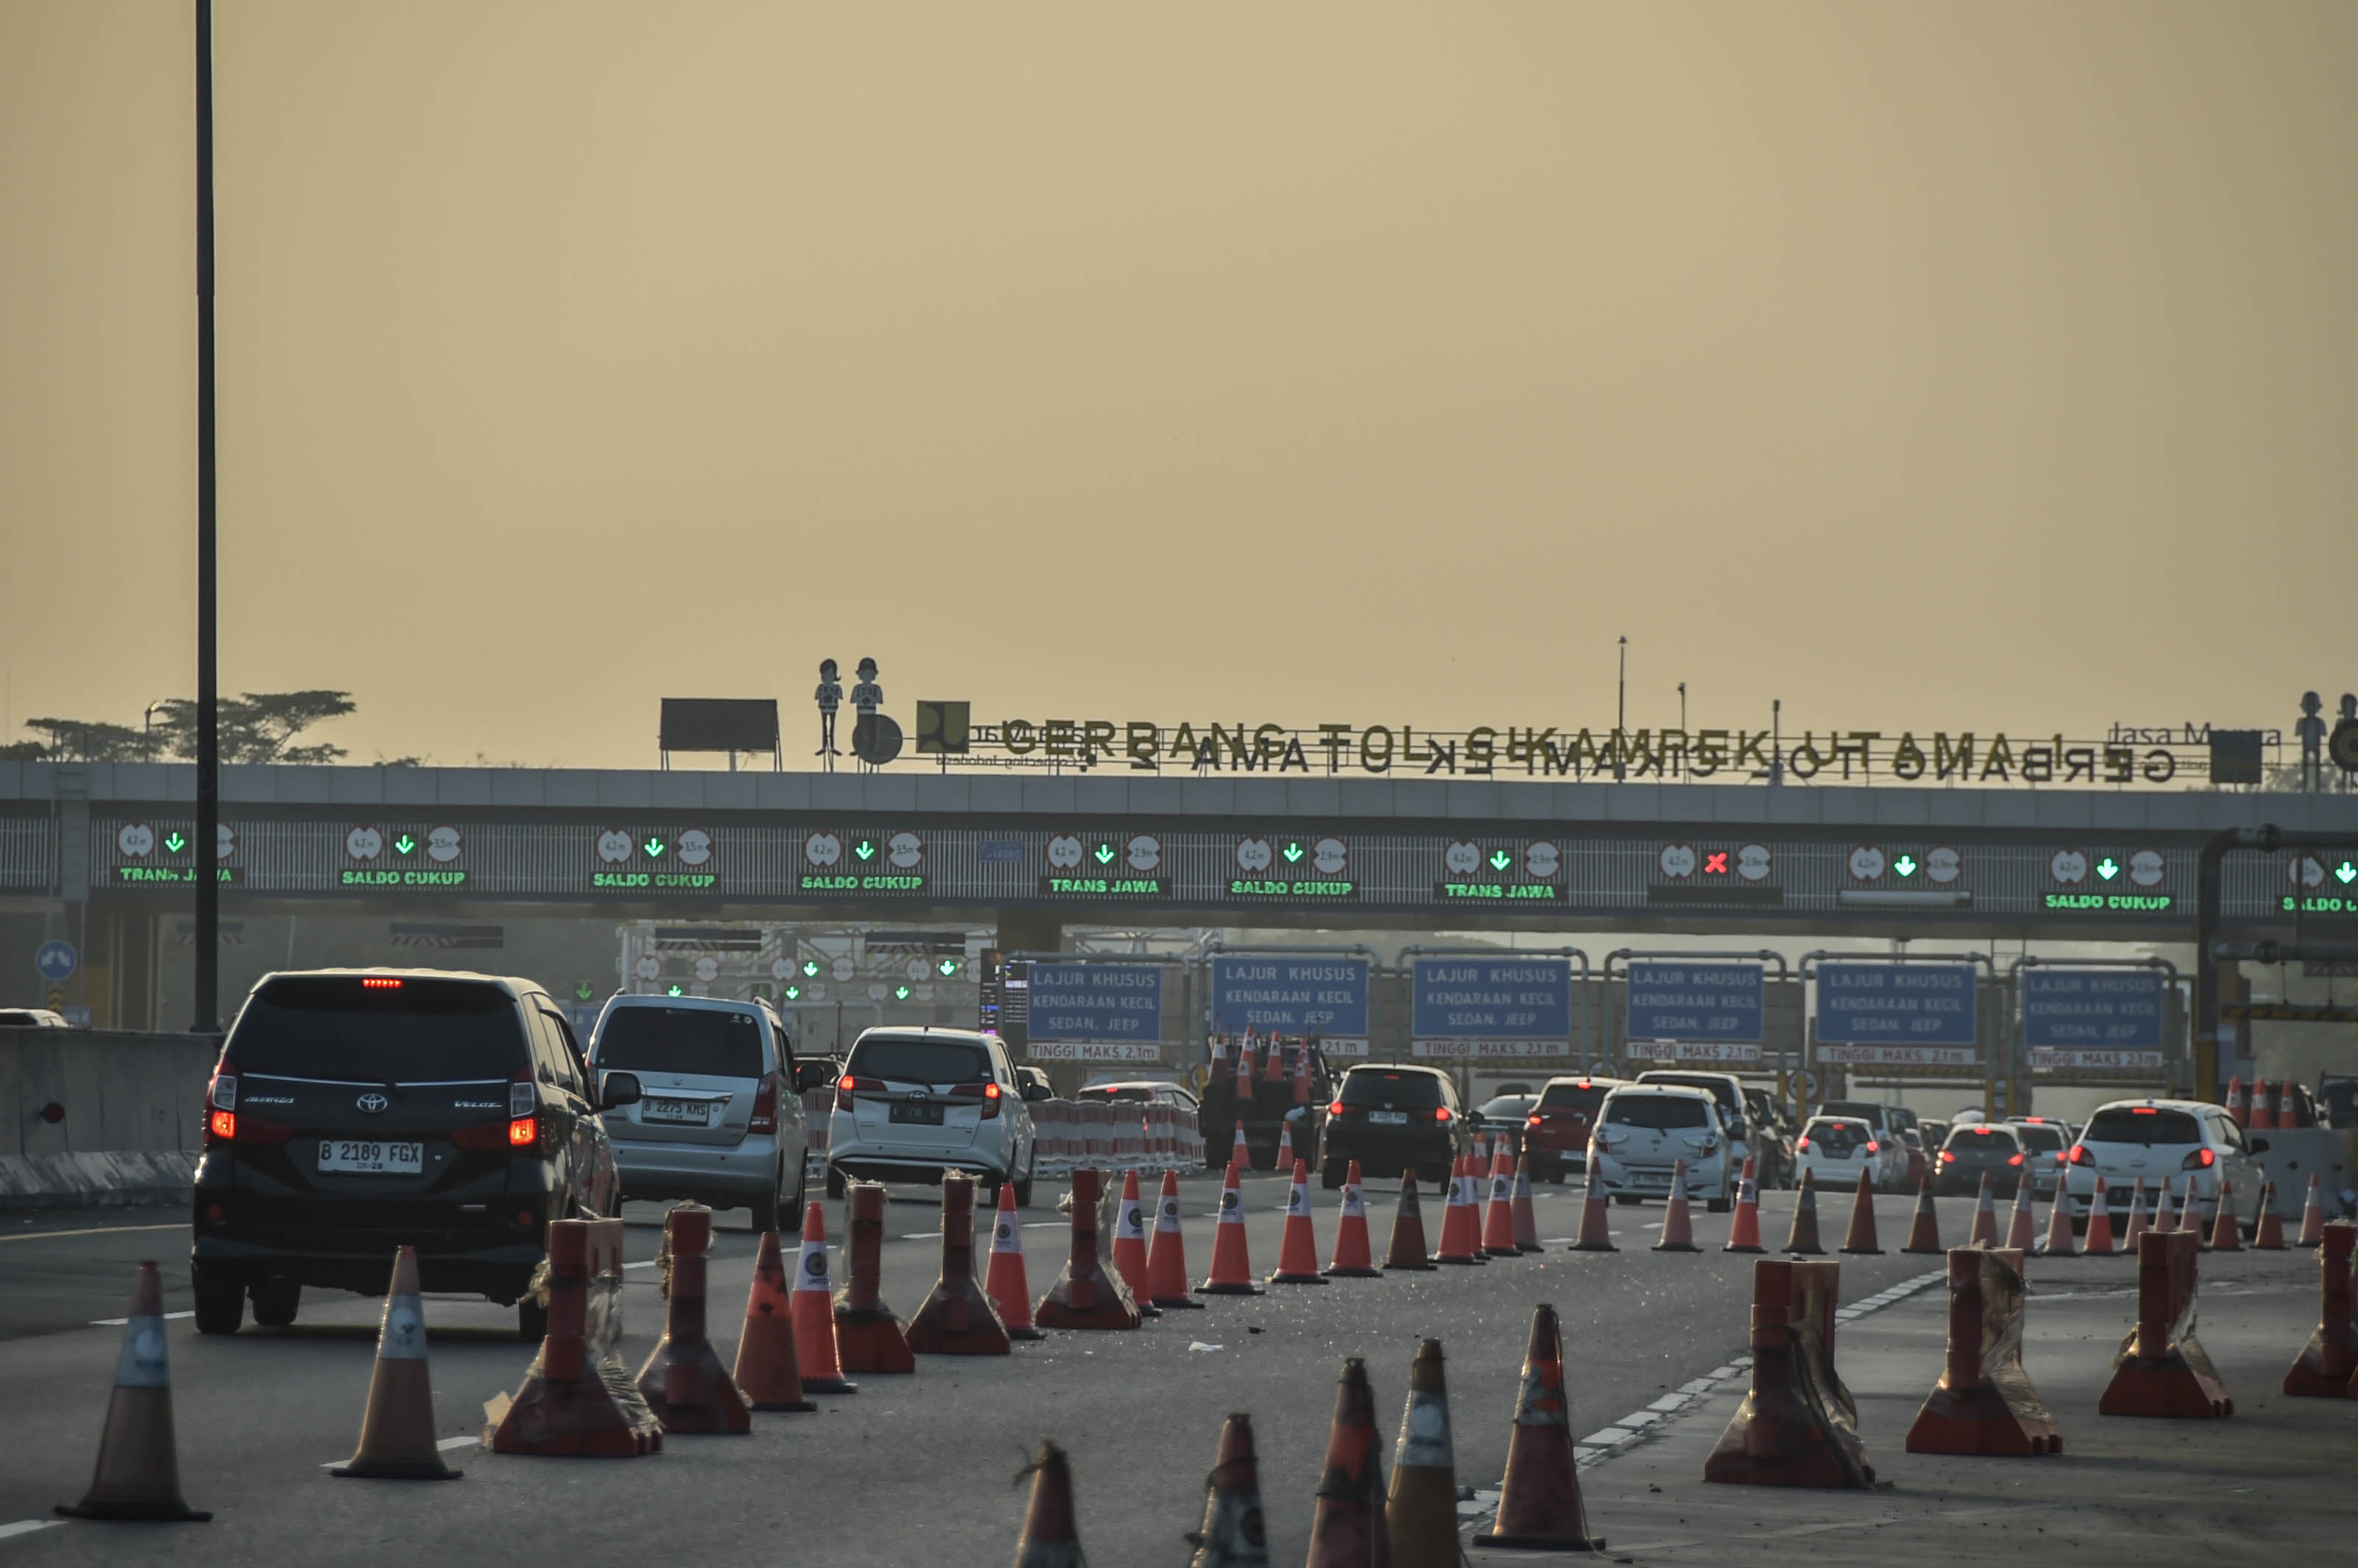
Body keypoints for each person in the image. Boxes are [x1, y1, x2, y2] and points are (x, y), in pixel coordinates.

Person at [813, 659, 843, 766]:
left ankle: (832, 745)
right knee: (824, 726)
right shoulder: (821, 688)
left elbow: (840, 696)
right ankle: (824, 746)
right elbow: (816, 697)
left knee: (832, 726)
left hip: (833, 708)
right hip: (824, 708)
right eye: (825, 674)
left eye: (830, 674)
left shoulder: (836, 688)